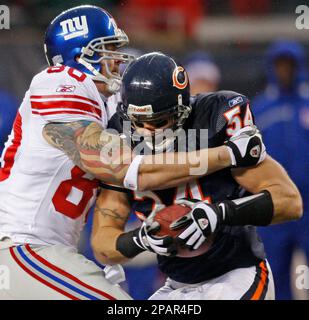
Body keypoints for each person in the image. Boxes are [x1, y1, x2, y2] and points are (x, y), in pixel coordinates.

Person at [0, 6, 262, 300]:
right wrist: (226, 154)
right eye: (108, 50)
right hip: (20, 245)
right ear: (80, 55)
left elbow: (147, 161)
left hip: (50, 251)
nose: (117, 60)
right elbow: (119, 167)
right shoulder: (59, 81)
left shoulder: (108, 106)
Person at [91, 52, 303, 300]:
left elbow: (289, 202)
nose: (148, 133)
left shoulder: (214, 118)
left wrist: (220, 213)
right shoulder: (119, 137)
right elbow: (103, 245)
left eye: (159, 121)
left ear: (181, 110)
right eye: (139, 122)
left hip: (235, 274)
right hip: (177, 284)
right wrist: (141, 239)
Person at [253, 39, 309, 300]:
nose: (284, 70)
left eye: (289, 64)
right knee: (276, 277)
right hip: (275, 206)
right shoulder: (260, 107)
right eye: (280, 64)